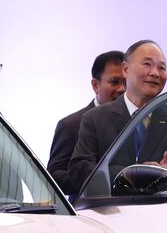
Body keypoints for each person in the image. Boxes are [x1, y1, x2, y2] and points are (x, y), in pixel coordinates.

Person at [69, 40, 167, 191]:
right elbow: (79, 170)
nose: (155, 73)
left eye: (162, 67)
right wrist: (133, 175)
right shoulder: (95, 118)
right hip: (111, 204)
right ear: (125, 69)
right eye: (147, 64)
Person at [47, 51, 125, 196]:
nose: (122, 89)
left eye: (126, 82)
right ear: (95, 85)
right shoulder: (70, 124)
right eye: (114, 82)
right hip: (87, 207)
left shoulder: (136, 120)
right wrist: (100, 182)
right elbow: (54, 176)